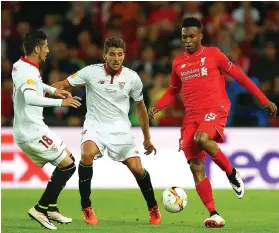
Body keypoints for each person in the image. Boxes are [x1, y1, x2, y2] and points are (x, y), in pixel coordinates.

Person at [149, 17, 277, 228]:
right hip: (191, 116)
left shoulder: (213, 54)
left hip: (214, 109)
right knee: (195, 166)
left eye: (191, 36)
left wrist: (264, 100)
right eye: (184, 37)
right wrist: (158, 106)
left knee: (202, 138)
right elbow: (173, 90)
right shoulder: (178, 62)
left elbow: (241, 77)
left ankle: (231, 172)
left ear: (200, 36)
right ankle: (214, 214)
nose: (187, 40)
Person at [52, 37, 162, 225]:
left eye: (120, 54)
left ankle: (153, 207)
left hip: (121, 129)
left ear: (124, 56)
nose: (116, 58)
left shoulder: (132, 77)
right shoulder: (90, 72)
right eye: (112, 54)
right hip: (95, 126)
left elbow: (140, 108)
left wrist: (147, 137)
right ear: (105, 55)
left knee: (137, 169)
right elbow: (62, 84)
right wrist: (47, 91)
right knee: (86, 155)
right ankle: (86, 206)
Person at [12, 31, 82, 230]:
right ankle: (40, 208)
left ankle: (51, 207)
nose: (48, 50)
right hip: (31, 131)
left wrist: (52, 90)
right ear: (37, 49)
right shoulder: (27, 71)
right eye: (46, 47)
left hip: (34, 127)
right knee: (68, 166)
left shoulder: (21, 65)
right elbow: (30, 98)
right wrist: (62, 102)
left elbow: (33, 85)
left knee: (68, 158)